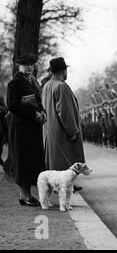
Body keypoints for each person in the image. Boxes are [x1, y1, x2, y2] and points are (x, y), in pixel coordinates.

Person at [7, 53, 46, 206]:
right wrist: (34, 113)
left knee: (32, 161)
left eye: (32, 64)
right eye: (26, 64)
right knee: (23, 161)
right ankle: (25, 196)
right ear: (18, 65)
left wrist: (43, 112)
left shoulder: (32, 81)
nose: (30, 67)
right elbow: (13, 105)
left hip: (32, 128)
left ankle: (27, 196)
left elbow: (37, 101)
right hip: (21, 129)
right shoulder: (14, 83)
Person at [42, 57, 85, 192]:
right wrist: (72, 130)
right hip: (62, 131)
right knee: (65, 159)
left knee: (54, 159)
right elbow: (65, 111)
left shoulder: (47, 85)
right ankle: (65, 185)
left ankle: (57, 185)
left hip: (51, 129)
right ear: (63, 70)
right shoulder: (61, 86)